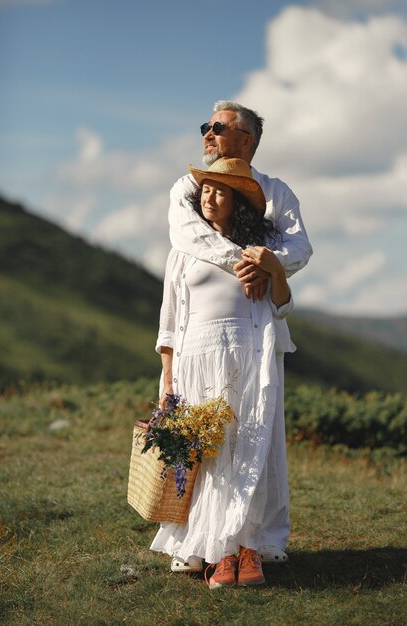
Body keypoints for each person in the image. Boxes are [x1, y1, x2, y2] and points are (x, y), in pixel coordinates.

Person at [166, 101, 313, 569]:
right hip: (199, 347)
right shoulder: (187, 186)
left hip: (254, 340)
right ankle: (202, 543)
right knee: (201, 443)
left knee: (253, 436)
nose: (207, 133)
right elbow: (190, 237)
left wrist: (269, 265)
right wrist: (248, 262)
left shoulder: (276, 191)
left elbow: (298, 247)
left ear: (246, 138)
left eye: (218, 127)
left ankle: (249, 543)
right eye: (205, 127)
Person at [150, 157, 295, 588]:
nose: (209, 198)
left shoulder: (255, 255)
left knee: (248, 449)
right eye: (206, 191)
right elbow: (169, 321)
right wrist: (169, 380)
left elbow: (282, 306)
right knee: (209, 456)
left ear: (238, 204)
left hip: (247, 360)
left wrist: (274, 268)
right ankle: (215, 550)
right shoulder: (184, 252)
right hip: (196, 362)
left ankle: (245, 549)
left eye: (220, 192)